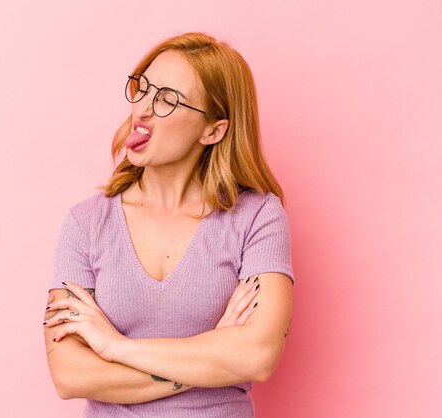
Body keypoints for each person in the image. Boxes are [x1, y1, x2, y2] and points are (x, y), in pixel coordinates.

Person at [43, 32, 295, 418]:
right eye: (143, 89)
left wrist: (116, 348)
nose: (142, 109)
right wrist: (215, 353)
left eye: (167, 99)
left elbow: (258, 356)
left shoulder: (259, 216)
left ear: (213, 130)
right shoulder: (86, 222)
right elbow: (70, 375)